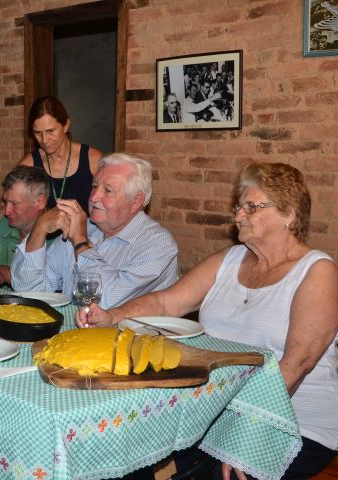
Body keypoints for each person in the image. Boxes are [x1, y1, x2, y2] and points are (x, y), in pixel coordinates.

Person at [79, 162, 338, 480]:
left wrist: (245, 438)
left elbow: (296, 365)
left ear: (290, 214)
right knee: (126, 452)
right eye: (239, 206)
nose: (238, 215)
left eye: (251, 207)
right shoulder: (228, 261)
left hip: (292, 419)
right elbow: (165, 301)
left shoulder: (317, 271)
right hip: (215, 407)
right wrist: (112, 316)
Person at [12, 153, 178, 309]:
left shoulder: (158, 245)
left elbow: (105, 302)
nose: (93, 197)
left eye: (108, 190)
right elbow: (29, 292)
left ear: (136, 201)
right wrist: (39, 228)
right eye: (94, 187)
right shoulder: (85, 227)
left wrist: (81, 242)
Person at [0, 96, 102, 242]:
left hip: (83, 243)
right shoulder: (29, 162)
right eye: (38, 133)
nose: (44, 140)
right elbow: (6, 207)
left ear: (66, 126)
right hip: (41, 246)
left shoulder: (92, 159)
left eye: (50, 131)